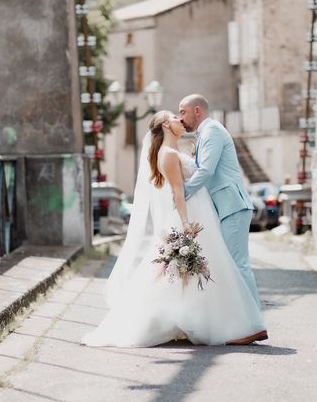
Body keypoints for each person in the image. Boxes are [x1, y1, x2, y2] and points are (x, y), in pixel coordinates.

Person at [82, 111, 266, 347]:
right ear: (166, 126)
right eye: (175, 117)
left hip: (200, 214)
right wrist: (186, 223)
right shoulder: (168, 154)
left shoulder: (174, 152)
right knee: (197, 270)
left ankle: (213, 321)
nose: (181, 120)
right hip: (189, 216)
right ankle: (225, 324)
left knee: (198, 272)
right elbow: (178, 192)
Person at [179, 94, 267, 344]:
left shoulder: (213, 131)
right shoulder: (205, 133)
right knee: (230, 266)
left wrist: (181, 195)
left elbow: (206, 170)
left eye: (183, 112)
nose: (180, 118)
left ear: (197, 110)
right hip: (223, 207)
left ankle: (253, 325)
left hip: (232, 206)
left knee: (238, 265)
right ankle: (241, 324)